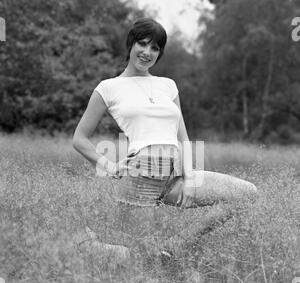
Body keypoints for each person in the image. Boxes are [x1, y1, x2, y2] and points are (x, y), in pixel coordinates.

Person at [72, 17, 258, 211]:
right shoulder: (108, 88)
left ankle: (182, 242)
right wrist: (109, 167)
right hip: (140, 175)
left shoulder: (168, 85)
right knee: (138, 242)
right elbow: (79, 139)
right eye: (142, 44)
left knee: (246, 192)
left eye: (155, 48)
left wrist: (191, 180)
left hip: (175, 174)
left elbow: (183, 139)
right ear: (130, 44)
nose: (147, 53)